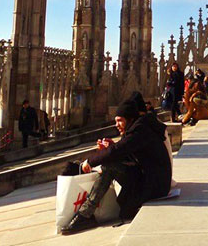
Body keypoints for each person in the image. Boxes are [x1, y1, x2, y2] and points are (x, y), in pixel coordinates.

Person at [60, 99, 171, 234]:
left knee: (109, 166)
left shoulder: (140, 131)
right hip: (151, 180)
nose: (117, 125)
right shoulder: (139, 127)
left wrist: (90, 161)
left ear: (129, 118)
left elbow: (118, 151)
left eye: (119, 120)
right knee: (110, 166)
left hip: (155, 185)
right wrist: (111, 147)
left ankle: (85, 214)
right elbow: (127, 153)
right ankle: (86, 214)